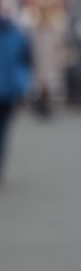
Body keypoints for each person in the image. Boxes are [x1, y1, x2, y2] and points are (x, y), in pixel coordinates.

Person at [0, 11, 32, 185]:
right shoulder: (17, 34)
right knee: (3, 132)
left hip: (8, 89)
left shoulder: (17, 34)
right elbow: (26, 60)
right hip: (9, 90)